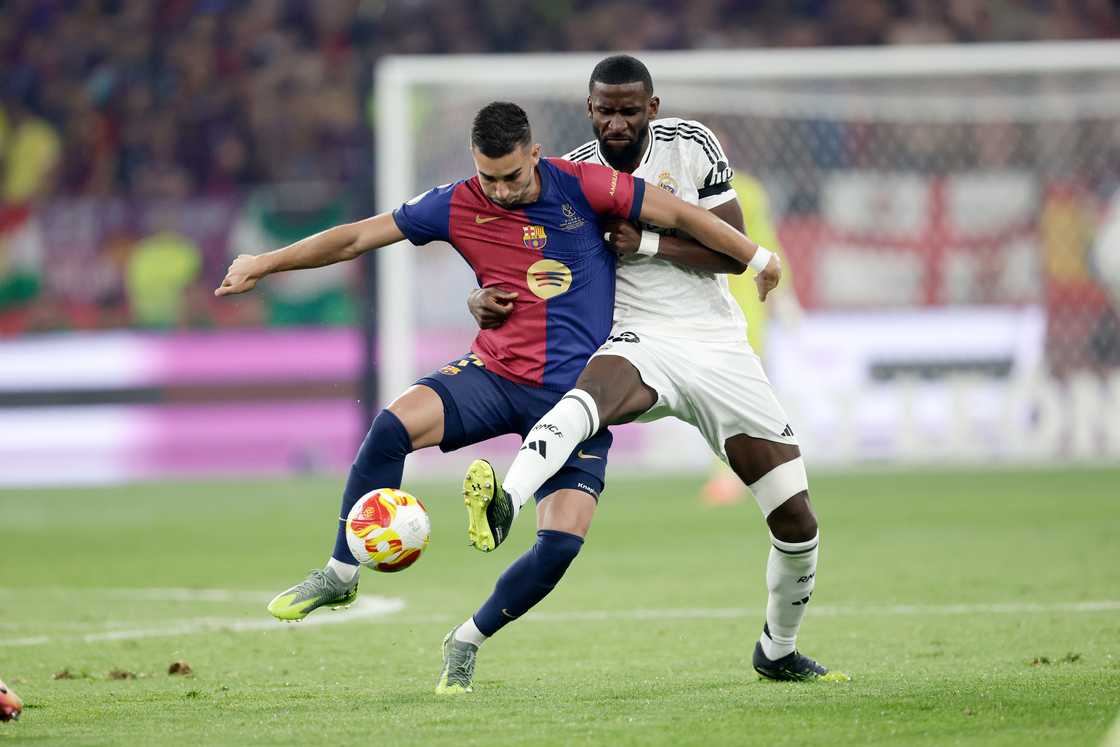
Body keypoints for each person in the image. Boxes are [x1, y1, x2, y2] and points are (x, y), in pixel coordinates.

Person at [214, 101, 779, 693]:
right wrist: (264, 263)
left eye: (513, 176)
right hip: (495, 374)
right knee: (390, 428)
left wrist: (758, 257)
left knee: (559, 547)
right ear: (473, 163)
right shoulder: (456, 203)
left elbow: (683, 214)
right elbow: (358, 237)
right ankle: (339, 572)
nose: (503, 191)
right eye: (490, 178)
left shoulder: (584, 185)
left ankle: (466, 640)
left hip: (577, 399)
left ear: (535, 154)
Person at [464, 56, 843, 683]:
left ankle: (778, 650)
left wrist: (644, 243)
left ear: (652, 108)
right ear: (589, 110)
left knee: (796, 521)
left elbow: (730, 251)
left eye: (629, 110)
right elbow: (517, 255)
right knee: (586, 400)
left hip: (717, 344)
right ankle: (507, 497)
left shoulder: (692, 146)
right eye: (605, 110)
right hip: (637, 335)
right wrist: (479, 297)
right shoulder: (571, 176)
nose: (616, 122)